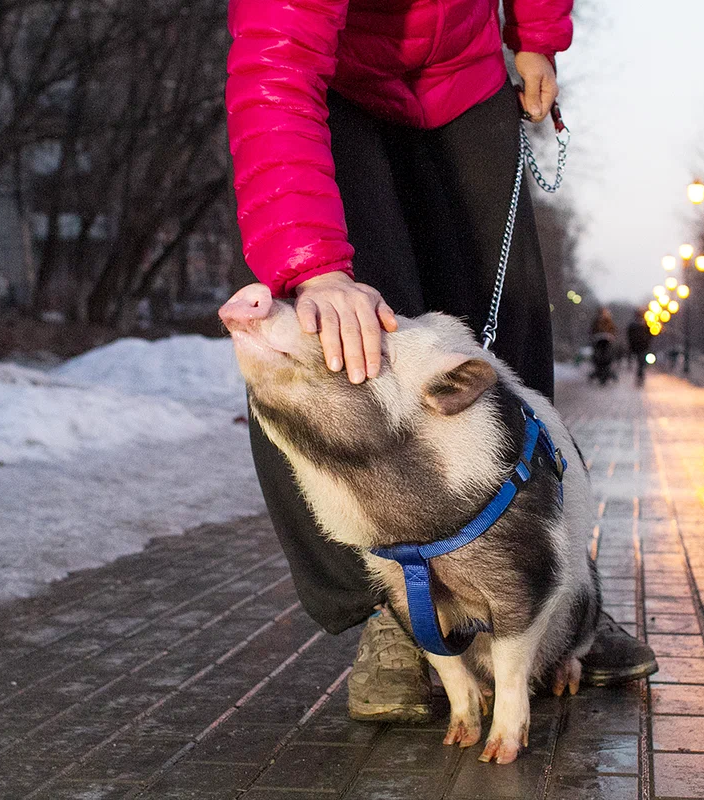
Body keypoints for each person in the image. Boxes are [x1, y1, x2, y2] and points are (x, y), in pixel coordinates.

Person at [225, 0, 656, 724]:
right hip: (328, 77)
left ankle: (555, 593)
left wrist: (538, 38)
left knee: (507, 332)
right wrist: (316, 267)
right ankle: (392, 615)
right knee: (336, 347)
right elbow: (276, 59)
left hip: (464, 69)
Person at [590, 307, 618, 384]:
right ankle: (601, 372)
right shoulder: (597, 321)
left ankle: (604, 373)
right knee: (599, 358)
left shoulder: (608, 322)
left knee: (606, 358)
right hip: (599, 342)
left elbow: (613, 331)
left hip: (606, 342)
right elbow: (592, 331)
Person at [626, 311, 652, 387]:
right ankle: (640, 376)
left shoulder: (636, 325)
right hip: (640, 346)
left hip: (640, 346)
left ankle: (640, 376)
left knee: (641, 363)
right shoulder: (643, 325)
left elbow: (650, 335)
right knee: (641, 363)